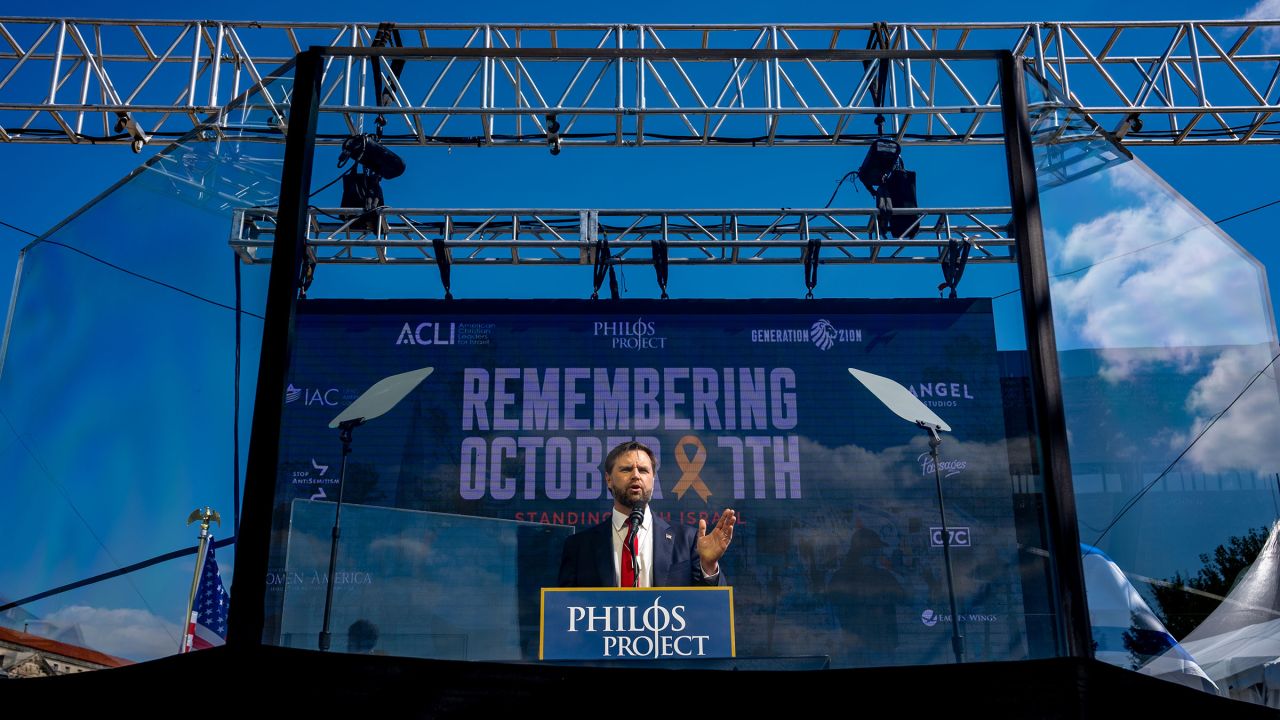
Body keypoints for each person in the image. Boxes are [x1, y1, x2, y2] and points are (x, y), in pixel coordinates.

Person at [558, 440, 736, 587]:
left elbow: (710, 608)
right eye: (626, 469)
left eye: (643, 470)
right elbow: (565, 611)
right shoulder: (579, 547)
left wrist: (709, 567)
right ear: (609, 479)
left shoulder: (688, 540)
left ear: (652, 479)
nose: (636, 475)